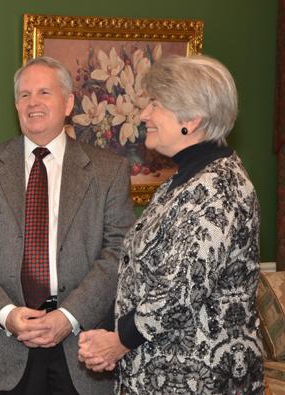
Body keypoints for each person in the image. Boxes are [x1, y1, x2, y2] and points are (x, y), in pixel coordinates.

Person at [77, 55, 264, 394]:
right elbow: (142, 272)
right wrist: (109, 331)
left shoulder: (218, 187)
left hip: (199, 378)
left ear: (191, 119)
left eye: (155, 104)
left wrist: (118, 341)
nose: (144, 114)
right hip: (156, 371)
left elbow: (179, 290)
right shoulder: (181, 180)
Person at [0, 56, 135, 395]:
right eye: (23, 94)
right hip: (4, 347)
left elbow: (118, 253)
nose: (32, 102)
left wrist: (68, 317)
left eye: (44, 92)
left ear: (68, 103)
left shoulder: (109, 171)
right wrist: (6, 314)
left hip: (81, 347)